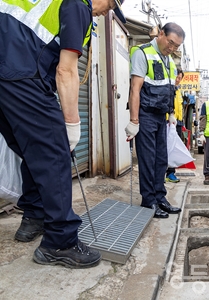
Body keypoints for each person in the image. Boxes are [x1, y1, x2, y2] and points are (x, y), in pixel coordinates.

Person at [0, 0, 126, 268]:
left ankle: (34, 216)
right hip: (23, 73)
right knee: (55, 155)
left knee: (32, 151)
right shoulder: (77, 4)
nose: (107, 12)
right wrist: (71, 123)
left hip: (7, 70)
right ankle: (60, 242)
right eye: (111, 4)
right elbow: (66, 69)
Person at [125, 22, 185, 218]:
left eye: (177, 46)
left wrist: (172, 114)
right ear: (160, 34)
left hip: (161, 116)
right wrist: (134, 121)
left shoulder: (169, 60)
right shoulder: (142, 53)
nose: (172, 48)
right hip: (146, 114)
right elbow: (135, 89)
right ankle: (148, 200)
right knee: (148, 160)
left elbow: (170, 89)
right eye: (170, 42)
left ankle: (160, 197)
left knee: (161, 160)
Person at [166, 69, 185, 183]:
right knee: (165, 148)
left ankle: (171, 173)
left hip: (176, 123)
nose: (178, 80)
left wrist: (180, 122)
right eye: (177, 77)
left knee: (173, 149)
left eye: (180, 78)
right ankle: (162, 173)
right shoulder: (167, 88)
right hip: (167, 122)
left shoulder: (178, 91)